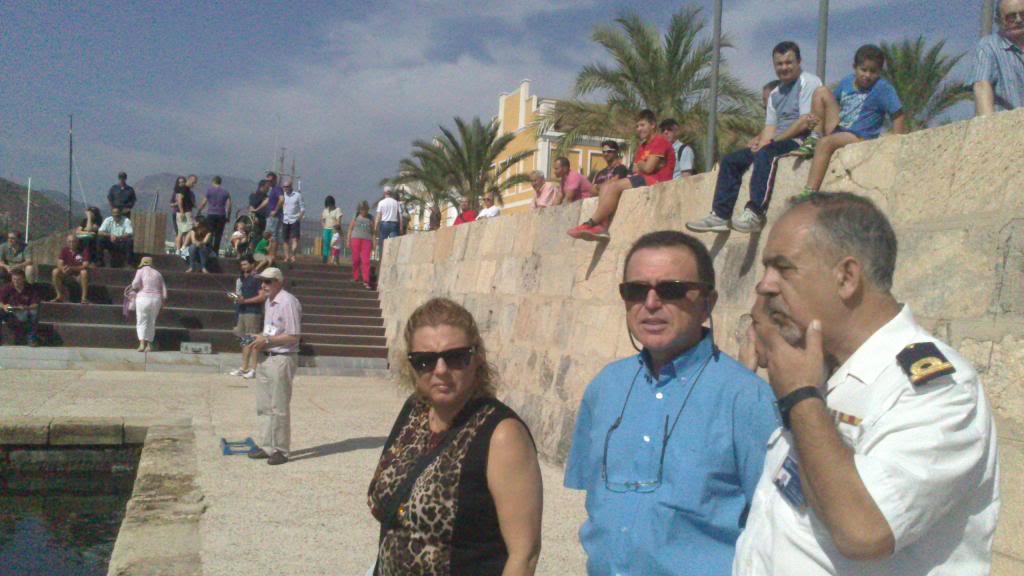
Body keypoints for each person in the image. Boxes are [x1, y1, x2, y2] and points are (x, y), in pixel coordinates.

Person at [733, 192, 1000, 575]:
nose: (764, 286)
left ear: (846, 277)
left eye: (782, 268)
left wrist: (802, 398)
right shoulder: (821, 365)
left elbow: (864, 531)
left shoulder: (937, 390)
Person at [564, 230, 778, 575]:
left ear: (707, 302)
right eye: (636, 291)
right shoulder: (606, 387)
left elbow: (776, 527)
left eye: (671, 289)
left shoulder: (747, 399)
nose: (650, 303)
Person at [368, 297, 542, 575]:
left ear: (476, 358)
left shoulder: (501, 435)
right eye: (424, 361)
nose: (440, 371)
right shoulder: (415, 411)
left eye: (455, 357)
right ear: (411, 365)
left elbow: (524, 554)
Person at [687, 41, 833, 234]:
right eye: (779, 64)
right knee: (731, 160)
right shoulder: (774, 94)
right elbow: (770, 127)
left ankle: (755, 212)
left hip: (799, 139)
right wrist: (760, 141)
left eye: (789, 62)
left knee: (767, 154)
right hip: (778, 139)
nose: (784, 68)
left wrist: (772, 142)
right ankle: (720, 215)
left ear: (799, 62)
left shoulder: (809, 81)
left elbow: (806, 121)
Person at [802, 45, 906, 196]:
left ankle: (810, 191)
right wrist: (814, 120)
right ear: (854, 67)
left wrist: (897, 141)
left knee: (825, 143)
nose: (868, 75)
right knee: (821, 91)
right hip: (840, 126)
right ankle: (814, 137)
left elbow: (898, 114)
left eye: (873, 71)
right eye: (863, 70)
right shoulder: (846, 82)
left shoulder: (883, 88)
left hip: (859, 135)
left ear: (880, 72)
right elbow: (833, 103)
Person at [567, 109, 676, 241]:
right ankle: (602, 227)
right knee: (607, 185)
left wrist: (644, 164)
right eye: (637, 126)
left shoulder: (660, 141)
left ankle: (591, 223)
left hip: (657, 181)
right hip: (645, 178)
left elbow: (647, 168)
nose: (639, 129)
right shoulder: (643, 147)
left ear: (653, 125)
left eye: (642, 125)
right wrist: (644, 164)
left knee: (614, 186)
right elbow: (637, 169)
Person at [246, 267, 302, 466]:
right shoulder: (269, 302)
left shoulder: (288, 302)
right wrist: (260, 339)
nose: (263, 285)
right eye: (262, 281)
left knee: (279, 406)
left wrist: (268, 341)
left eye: (268, 281)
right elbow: (272, 331)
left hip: (282, 358)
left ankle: (281, 449)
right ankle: (267, 445)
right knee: (263, 405)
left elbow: (294, 335)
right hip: (266, 357)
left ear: (279, 282)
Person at [974, 0, 1024, 115]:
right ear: (998, 21)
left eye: (1023, 14)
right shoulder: (989, 46)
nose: (1019, 20)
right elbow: (981, 85)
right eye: (1011, 17)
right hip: (1009, 127)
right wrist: (989, 126)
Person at [229, 255, 267, 378]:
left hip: (253, 312)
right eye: (242, 265)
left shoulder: (257, 279)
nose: (243, 267)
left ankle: (253, 369)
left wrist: (245, 301)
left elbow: (262, 297)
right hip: (243, 311)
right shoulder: (243, 279)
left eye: (245, 264)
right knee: (245, 341)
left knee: (253, 341)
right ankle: (244, 367)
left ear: (252, 264)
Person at [130, 256, 166, 353]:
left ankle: (142, 344)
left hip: (143, 298)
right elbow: (164, 291)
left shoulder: (140, 271)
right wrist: (163, 303)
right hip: (156, 299)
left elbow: (135, 284)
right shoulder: (158, 273)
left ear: (142, 263)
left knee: (141, 321)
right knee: (152, 321)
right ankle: (149, 344)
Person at [0, 269, 41, 346]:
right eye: (14, 279)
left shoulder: (30, 288)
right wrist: (4, 306)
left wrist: (26, 307)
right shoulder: (7, 287)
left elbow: (36, 304)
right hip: (11, 310)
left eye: (18, 279)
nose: (16, 281)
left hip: (24, 310)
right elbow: (0, 301)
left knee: (34, 312)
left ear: (23, 279)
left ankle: (31, 339)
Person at [50, 234, 91, 304]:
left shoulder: (83, 250)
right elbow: (59, 263)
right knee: (55, 271)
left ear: (77, 242)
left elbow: (85, 265)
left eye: (73, 241)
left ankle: (84, 298)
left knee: (84, 272)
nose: (71, 243)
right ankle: (59, 296)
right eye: (69, 242)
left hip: (78, 275)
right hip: (67, 274)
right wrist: (62, 268)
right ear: (67, 242)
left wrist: (72, 268)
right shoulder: (64, 250)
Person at [197, 175, 232, 253]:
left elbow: (203, 203)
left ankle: (208, 250)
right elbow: (229, 206)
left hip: (211, 214)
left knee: (210, 233)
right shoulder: (226, 192)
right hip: (221, 215)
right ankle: (215, 251)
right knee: (218, 234)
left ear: (213, 182)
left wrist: (199, 211)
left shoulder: (209, 191)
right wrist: (228, 216)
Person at [348, 201, 374, 289]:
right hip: (355, 239)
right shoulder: (356, 216)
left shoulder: (370, 218)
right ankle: (355, 277)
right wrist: (348, 240)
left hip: (366, 240)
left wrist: (374, 242)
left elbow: (373, 232)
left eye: (366, 209)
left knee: (366, 261)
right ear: (359, 210)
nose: (364, 211)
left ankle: (366, 280)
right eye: (362, 210)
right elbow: (350, 228)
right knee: (356, 259)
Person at [280, 180, 305, 264]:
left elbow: (302, 208)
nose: (285, 188)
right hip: (285, 219)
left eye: (287, 187)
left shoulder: (297, 195)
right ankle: (287, 256)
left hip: (295, 219)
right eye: (284, 187)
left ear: (291, 186)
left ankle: (293, 254)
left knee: (295, 239)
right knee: (285, 239)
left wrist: (299, 217)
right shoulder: (282, 195)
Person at [265, 172, 285, 262]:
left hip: (274, 217)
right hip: (271, 216)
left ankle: (272, 255)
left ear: (275, 180)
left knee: (273, 235)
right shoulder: (272, 190)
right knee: (270, 235)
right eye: (268, 180)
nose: (269, 182)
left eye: (271, 180)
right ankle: (270, 254)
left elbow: (281, 199)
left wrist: (275, 211)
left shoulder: (277, 189)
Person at [173, 176, 195, 252]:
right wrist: (182, 211)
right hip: (185, 212)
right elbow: (179, 199)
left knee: (180, 232)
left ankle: (178, 250)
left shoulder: (185, 189)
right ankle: (183, 247)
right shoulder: (184, 188)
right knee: (192, 229)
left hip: (181, 212)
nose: (194, 184)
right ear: (190, 180)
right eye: (193, 182)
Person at [320, 195, 343, 263]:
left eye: (330, 205)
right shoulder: (325, 210)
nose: (329, 206)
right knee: (326, 244)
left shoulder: (337, 210)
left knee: (334, 245)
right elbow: (322, 218)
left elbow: (339, 220)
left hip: (334, 230)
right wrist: (323, 225)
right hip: (326, 229)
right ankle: (325, 258)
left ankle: (335, 259)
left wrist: (337, 226)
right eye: (328, 205)